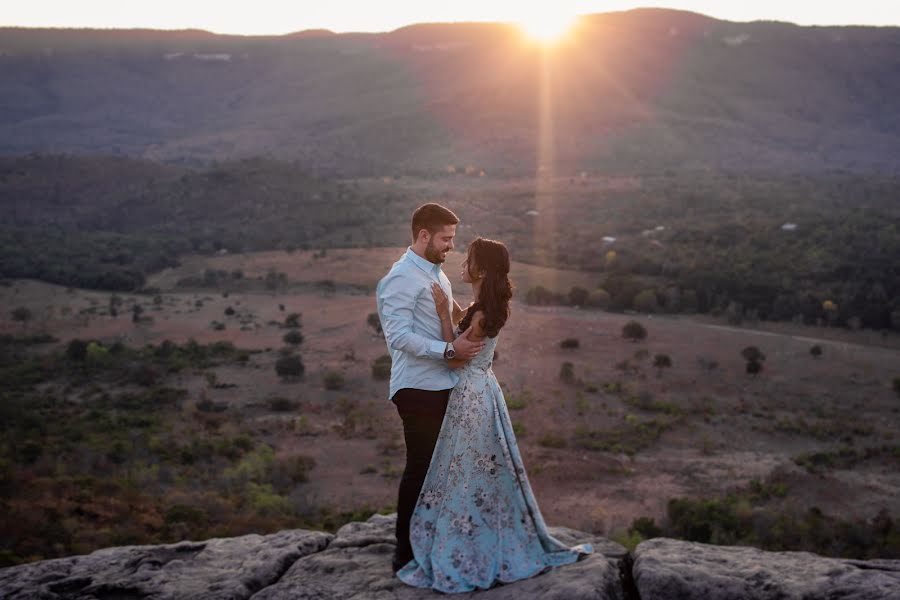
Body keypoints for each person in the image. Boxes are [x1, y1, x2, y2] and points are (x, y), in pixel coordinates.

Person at [396, 237, 593, 593]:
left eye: (468, 259)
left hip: (469, 395)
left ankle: (468, 542)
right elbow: (464, 322)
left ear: (481, 269)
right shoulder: (481, 308)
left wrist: (442, 314)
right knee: (472, 469)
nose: (462, 264)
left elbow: (455, 356)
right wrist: (447, 300)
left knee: (464, 469)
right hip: (479, 391)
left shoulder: (484, 313)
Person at [375, 203, 486, 574]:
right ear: (424, 235)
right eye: (445, 238)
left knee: (440, 469)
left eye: (452, 239)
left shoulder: (435, 273)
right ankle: (404, 553)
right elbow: (398, 336)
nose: (451, 246)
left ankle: (433, 541)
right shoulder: (401, 278)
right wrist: (449, 349)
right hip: (417, 386)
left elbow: (455, 315)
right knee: (421, 467)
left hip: (442, 382)